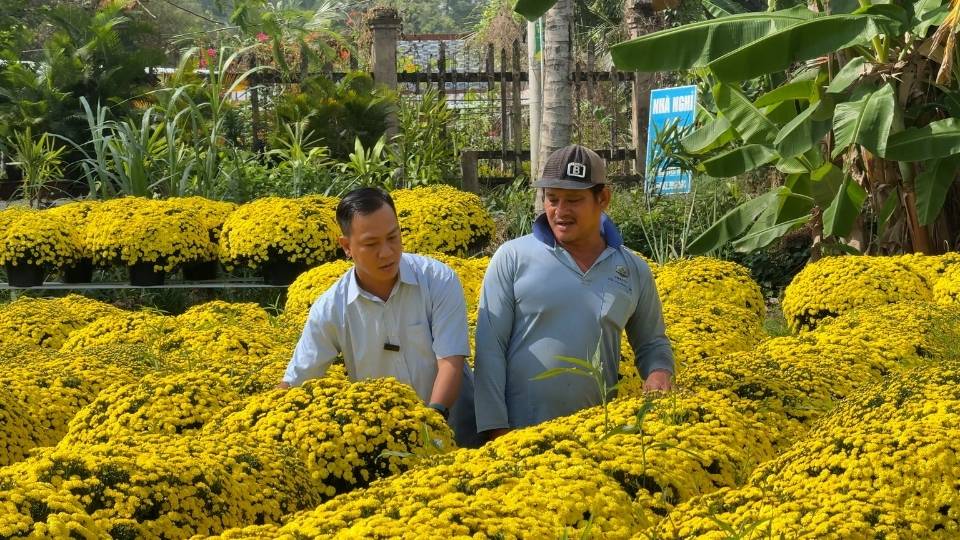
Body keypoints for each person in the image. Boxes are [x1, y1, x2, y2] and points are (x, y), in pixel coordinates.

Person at [474, 144, 674, 441]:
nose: (560, 211)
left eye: (574, 200)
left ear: (603, 198)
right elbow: (490, 349)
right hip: (519, 438)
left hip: (598, 437)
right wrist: (496, 430)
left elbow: (652, 343)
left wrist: (659, 372)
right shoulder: (512, 258)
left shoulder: (633, 269)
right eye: (552, 199)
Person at [280, 187, 481, 447]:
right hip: (387, 445)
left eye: (393, 237)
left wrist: (431, 424)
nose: (386, 252)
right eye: (371, 244)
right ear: (346, 247)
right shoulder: (332, 308)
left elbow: (450, 361)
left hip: (457, 431)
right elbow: (297, 380)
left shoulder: (438, 280)